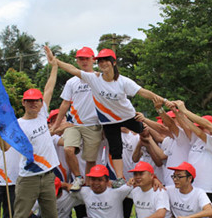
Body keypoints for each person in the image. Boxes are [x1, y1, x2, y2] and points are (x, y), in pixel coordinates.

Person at [46, 46, 167, 184]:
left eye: (106, 60)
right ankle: (109, 178)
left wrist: (164, 101)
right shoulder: (91, 78)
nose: (103, 63)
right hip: (97, 122)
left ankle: (162, 157)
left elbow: (143, 92)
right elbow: (71, 71)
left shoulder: (119, 80)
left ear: (113, 62)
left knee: (147, 133)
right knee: (111, 150)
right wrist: (55, 61)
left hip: (117, 119)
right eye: (100, 61)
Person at [0, 57, 68, 218]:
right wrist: (3, 132)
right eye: (30, 101)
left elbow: (49, 87)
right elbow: (4, 148)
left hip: (47, 175)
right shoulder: (16, 125)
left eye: (36, 100)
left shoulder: (43, 113)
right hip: (27, 177)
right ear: (23, 103)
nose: (34, 103)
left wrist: (54, 66)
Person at [51, 47, 104, 191]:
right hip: (73, 123)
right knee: (69, 149)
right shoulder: (71, 82)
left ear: (93, 59)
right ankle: (78, 178)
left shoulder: (100, 78)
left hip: (93, 124)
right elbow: (65, 104)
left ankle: (87, 184)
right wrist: (56, 125)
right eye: (81, 59)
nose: (84, 61)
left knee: (90, 159)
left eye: (87, 58)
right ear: (77, 61)